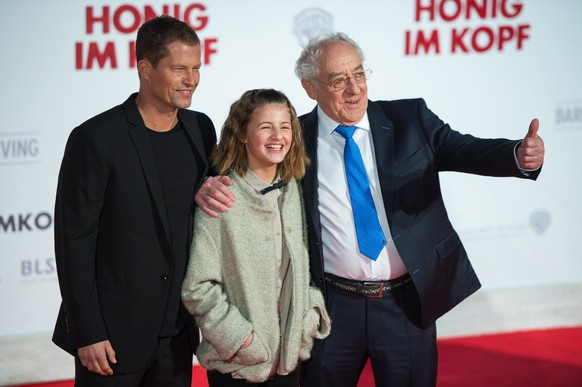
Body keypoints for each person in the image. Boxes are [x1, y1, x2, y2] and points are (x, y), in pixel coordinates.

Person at [195, 32, 545, 386]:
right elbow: (241, 168)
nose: (354, 89)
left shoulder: (410, 119)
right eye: (338, 80)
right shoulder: (293, 137)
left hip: (405, 305)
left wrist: (516, 154)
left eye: (359, 74)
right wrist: (208, 183)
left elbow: (464, 149)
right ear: (310, 87)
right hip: (330, 309)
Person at [52, 15, 216, 386]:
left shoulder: (201, 128)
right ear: (145, 68)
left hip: (177, 333)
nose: (191, 79)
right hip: (112, 335)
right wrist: (87, 331)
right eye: (178, 69)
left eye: (196, 68)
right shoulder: (96, 137)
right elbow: (74, 243)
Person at [181, 88, 331, 387]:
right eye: (266, 127)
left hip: (289, 363)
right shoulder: (222, 197)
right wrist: (242, 340)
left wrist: (310, 315)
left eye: (285, 126)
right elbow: (197, 288)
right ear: (243, 135)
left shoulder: (293, 190)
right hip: (237, 366)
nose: (278, 136)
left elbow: (304, 266)